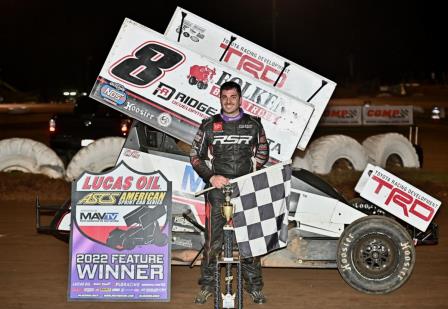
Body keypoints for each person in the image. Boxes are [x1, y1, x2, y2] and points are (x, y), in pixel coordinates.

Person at [189, 81, 269, 304]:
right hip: (217, 191)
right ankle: (208, 285)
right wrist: (211, 177)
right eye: (224, 97)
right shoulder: (208, 125)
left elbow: (263, 151)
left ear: (240, 99)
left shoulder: (253, 125)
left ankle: (254, 287)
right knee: (213, 241)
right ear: (220, 99)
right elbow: (195, 155)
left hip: (245, 189)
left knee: (249, 239)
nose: (229, 101)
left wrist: (252, 171)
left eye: (233, 97)